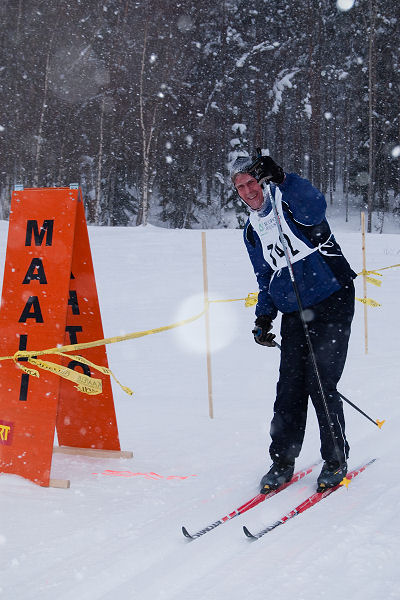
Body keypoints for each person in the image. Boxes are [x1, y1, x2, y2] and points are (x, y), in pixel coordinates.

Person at [230, 152, 356, 493]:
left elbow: (316, 207)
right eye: (240, 187)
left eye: (251, 182)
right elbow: (265, 276)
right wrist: (263, 315)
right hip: (295, 311)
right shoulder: (252, 231)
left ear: (261, 181)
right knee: (289, 387)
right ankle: (282, 460)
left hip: (332, 297)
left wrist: (283, 178)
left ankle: (335, 459)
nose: (247, 191)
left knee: (320, 380)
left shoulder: (288, 201)